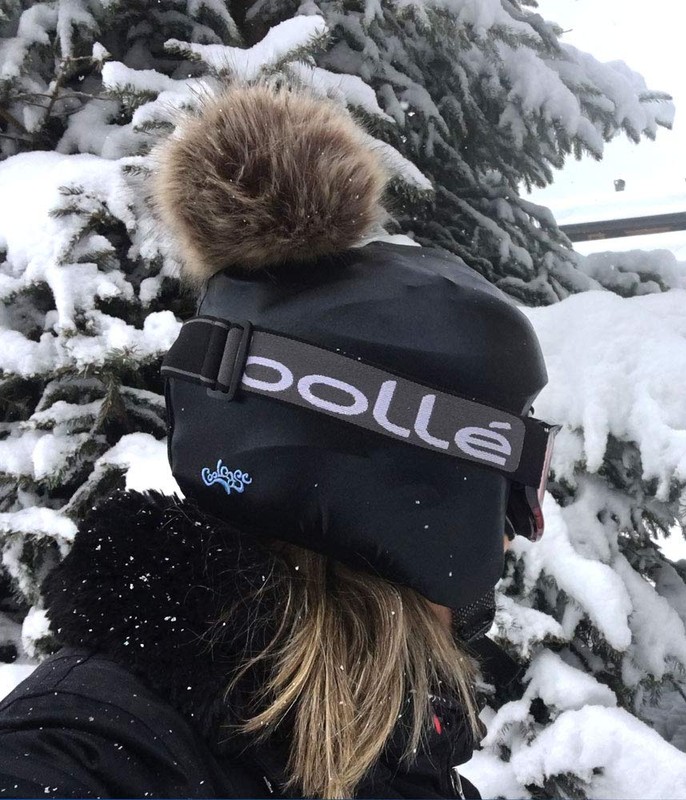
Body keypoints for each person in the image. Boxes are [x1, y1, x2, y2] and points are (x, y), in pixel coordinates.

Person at [0, 85, 556, 799]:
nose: (520, 531)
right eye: (515, 490)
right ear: (402, 493)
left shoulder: (388, 746)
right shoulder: (94, 753)